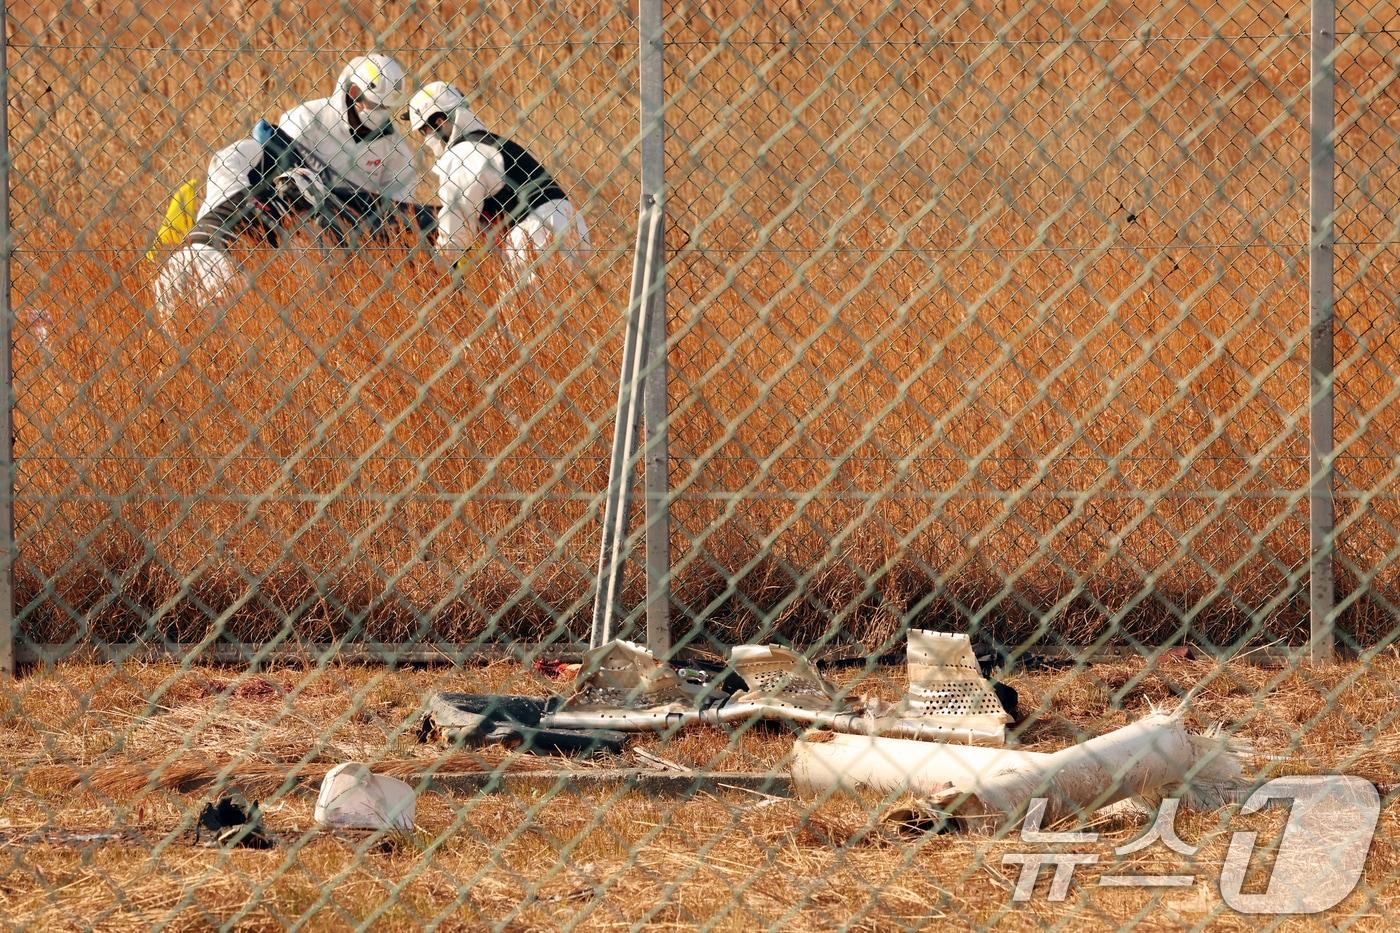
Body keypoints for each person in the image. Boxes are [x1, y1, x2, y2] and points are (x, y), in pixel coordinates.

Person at [153, 53, 431, 314]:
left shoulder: (397, 154)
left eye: (385, 107)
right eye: (372, 104)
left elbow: (395, 221)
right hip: (289, 210)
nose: (377, 113)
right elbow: (274, 163)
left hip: (343, 226)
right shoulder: (308, 118)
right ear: (352, 93)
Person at [404, 80, 590, 285]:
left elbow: (457, 225)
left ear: (439, 122)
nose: (425, 139)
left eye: (424, 131)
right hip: (572, 225)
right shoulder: (494, 144)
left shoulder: (463, 155)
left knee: (519, 315)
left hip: (534, 233)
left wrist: (439, 267)